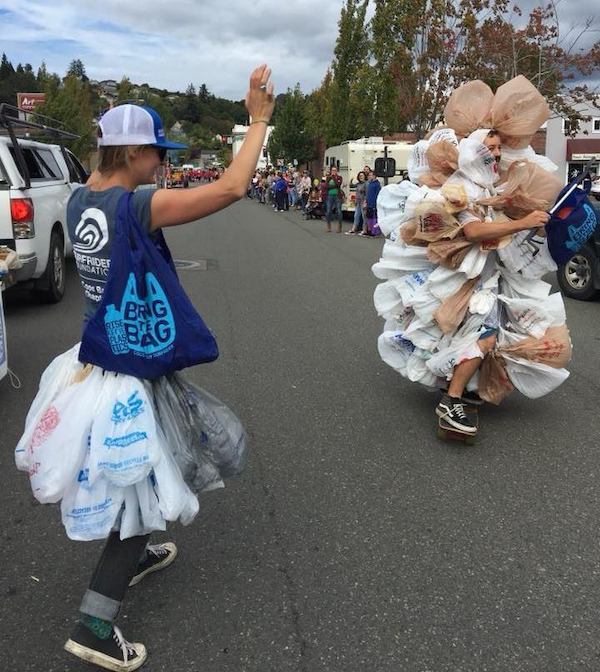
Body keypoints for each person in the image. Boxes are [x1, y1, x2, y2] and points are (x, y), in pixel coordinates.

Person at [16, 65, 275, 671]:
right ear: (132, 151)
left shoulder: (82, 196)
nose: (161, 164)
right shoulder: (134, 206)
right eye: (156, 153)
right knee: (137, 481)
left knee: (136, 473)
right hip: (128, 372)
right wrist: (259, 119)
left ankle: (136, 556)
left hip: (94, 358)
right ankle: (94, 623)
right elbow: (234, 187)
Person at [345, 170, 367, 235]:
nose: (361, 177)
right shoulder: (358, 184)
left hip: (363, 202)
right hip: (358, 202)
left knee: (364, 217)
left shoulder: (366, 184)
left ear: (364, 176)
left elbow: (367, 193)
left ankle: (364, 230)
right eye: (360, 176)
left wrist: (365, 201)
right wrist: (351, 180)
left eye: (362, 176)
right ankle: (353, 229)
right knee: (356, 216)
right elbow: (351, 185)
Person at [361, 170, 381, 236]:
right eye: (369, 175)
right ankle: (370, 230)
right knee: (369, 218)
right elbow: (368, 194)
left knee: (374, 218)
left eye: (371, 175)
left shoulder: (377, 184)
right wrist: (365, 201)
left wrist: (377, 203)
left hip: (374, 203)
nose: (369, 176)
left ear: (374, 176)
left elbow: (378, 194)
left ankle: (375, 231)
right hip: (369, 203)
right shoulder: (370, 183)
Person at [325, 165, 343, 233]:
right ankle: (328, 225)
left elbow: (338, 184)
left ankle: (339, 226)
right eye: (332, 170)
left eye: (335, 170)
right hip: (330, 196)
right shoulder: (328, 178)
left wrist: (334, 178)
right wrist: (333, 185)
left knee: (338, 211)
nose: (333, 172)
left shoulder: (339, 177)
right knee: (329, 211)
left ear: (337, 171)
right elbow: (326, 186)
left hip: (337, 196)